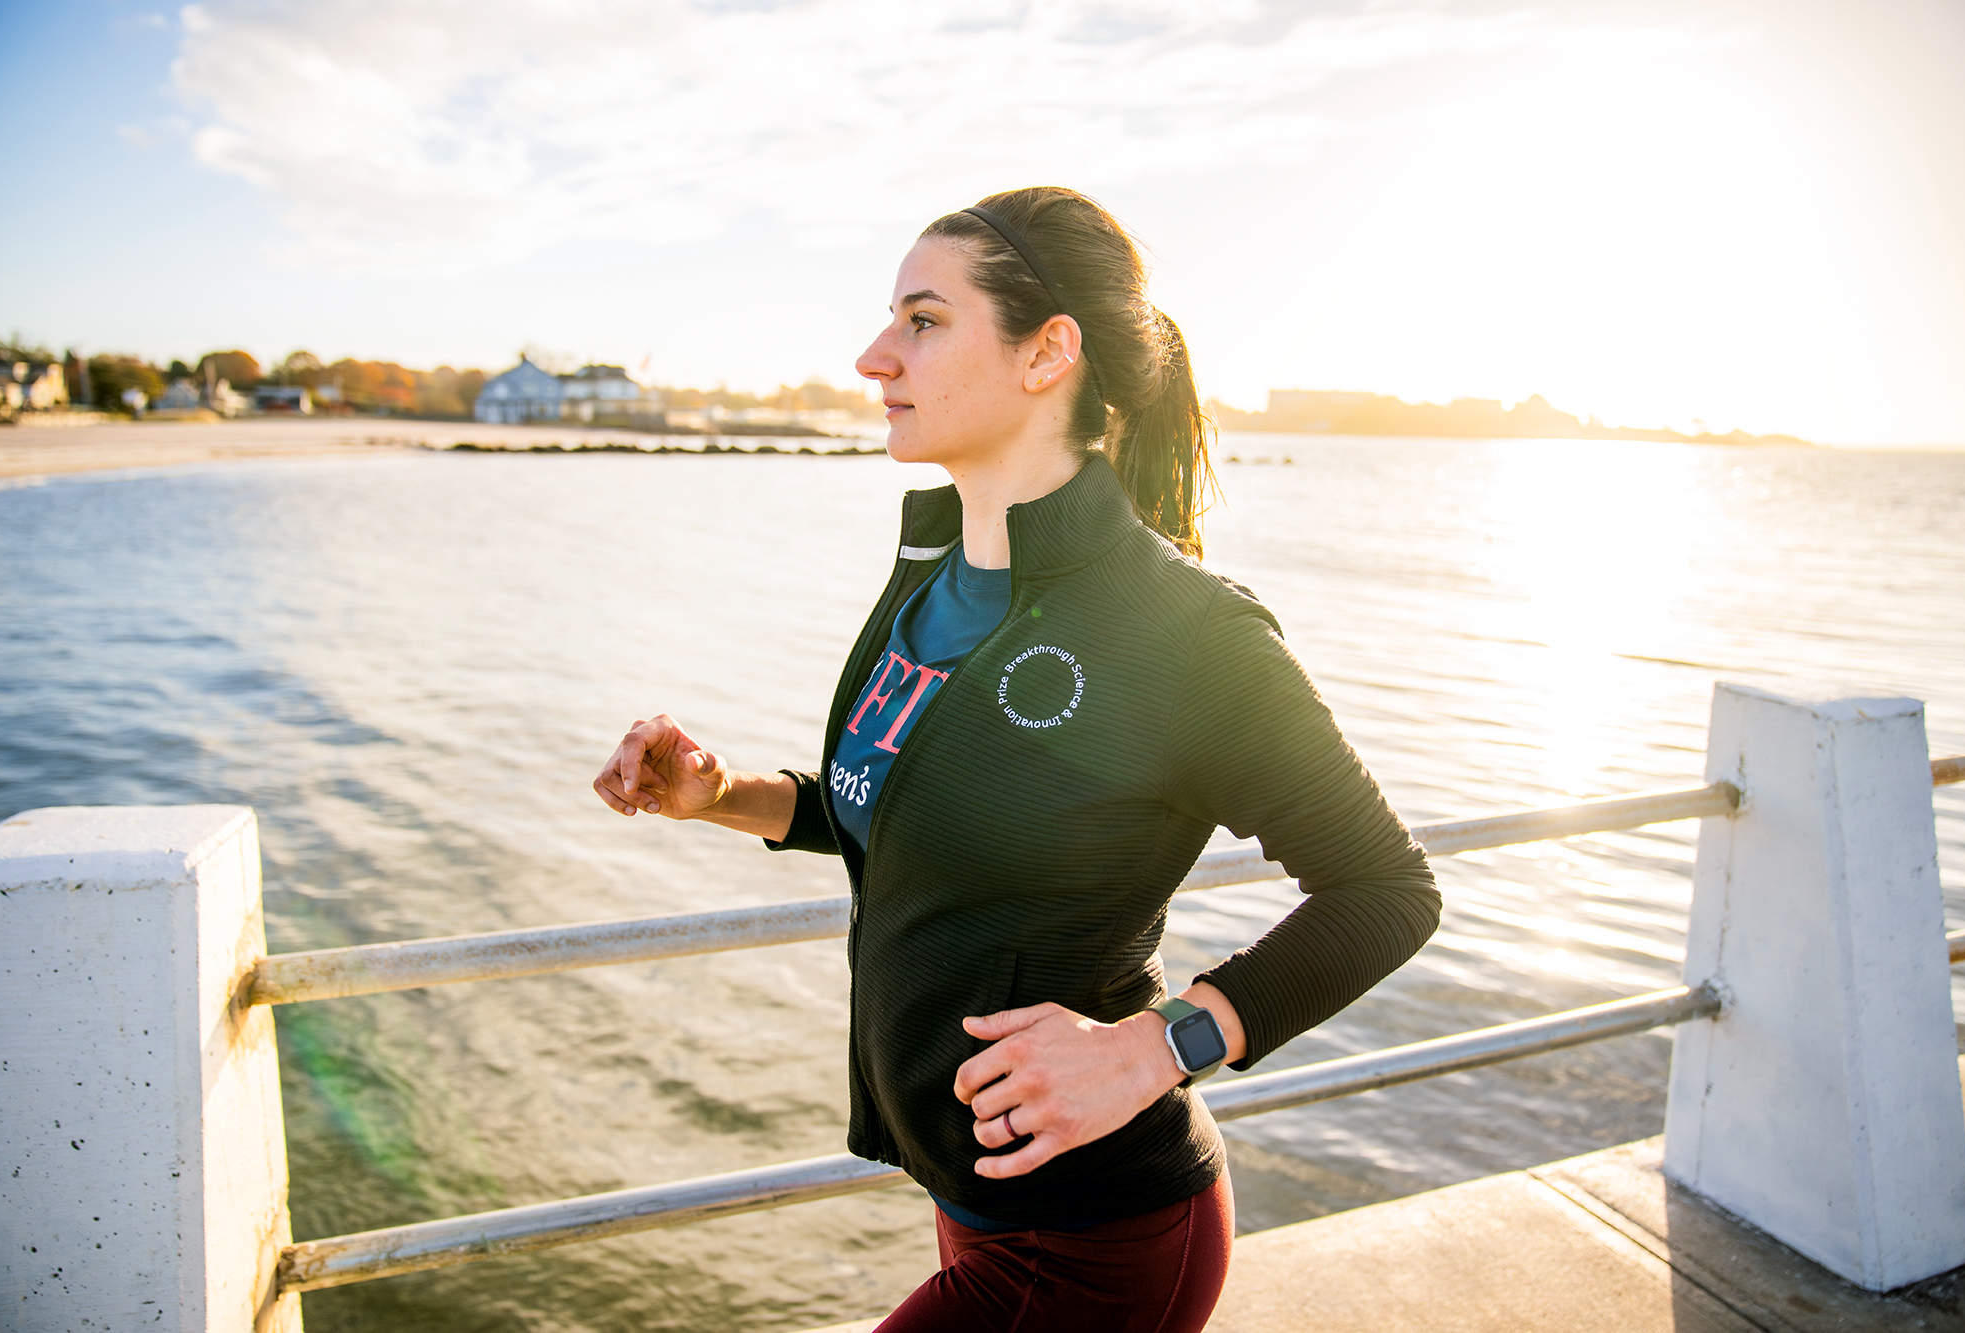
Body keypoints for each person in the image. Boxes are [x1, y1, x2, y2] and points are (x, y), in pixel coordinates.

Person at [593, 186, 1440, 1332]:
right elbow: (893, 813)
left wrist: (1162, 1043)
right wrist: (720, 794)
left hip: (1093, 1236)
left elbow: (1386, 892)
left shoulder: (1184, 633)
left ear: (1048, 353)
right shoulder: (931, 582)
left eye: (923, 321)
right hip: (971, 1198)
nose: (872, 356)